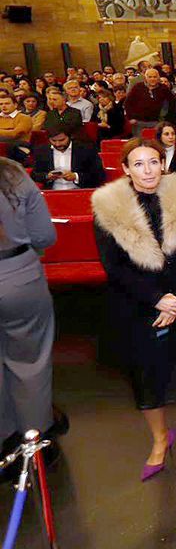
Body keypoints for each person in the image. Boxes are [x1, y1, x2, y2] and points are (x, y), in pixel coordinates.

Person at [92, 139, 176, 480]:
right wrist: (157, 299)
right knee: (147, 376)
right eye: (139, 164)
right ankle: (160, 438)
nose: (148, 170)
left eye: (154, 162)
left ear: (163, 163)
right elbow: (114, 266)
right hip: (138, 302)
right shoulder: (108, 207)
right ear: (125, 168)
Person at [0, 159, 58, 467]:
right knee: (30, 363)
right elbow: (44, 236)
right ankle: (34, 443)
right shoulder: (12, 173)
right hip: (18, 277)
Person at [31, 129, 105, 189]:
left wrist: (76, 176)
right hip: (52, 193)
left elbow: (99, 175)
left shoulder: (86, 149)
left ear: (70, 137)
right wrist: (47, 176)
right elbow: (34, 175)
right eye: (53, 141)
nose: (57, 144)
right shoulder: (41, 151)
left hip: (79, 192)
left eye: (61, 140)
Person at [124, 68, 175, 132]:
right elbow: (127, 103)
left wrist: (164, 120)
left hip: (156, 122)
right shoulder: (137, 87)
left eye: (155, 77)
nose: (152, 79)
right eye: (150, 77)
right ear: (145, 78)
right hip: (138, 122)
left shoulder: (163, 88)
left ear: (158, 78)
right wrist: (131, 118)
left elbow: (172, 103)